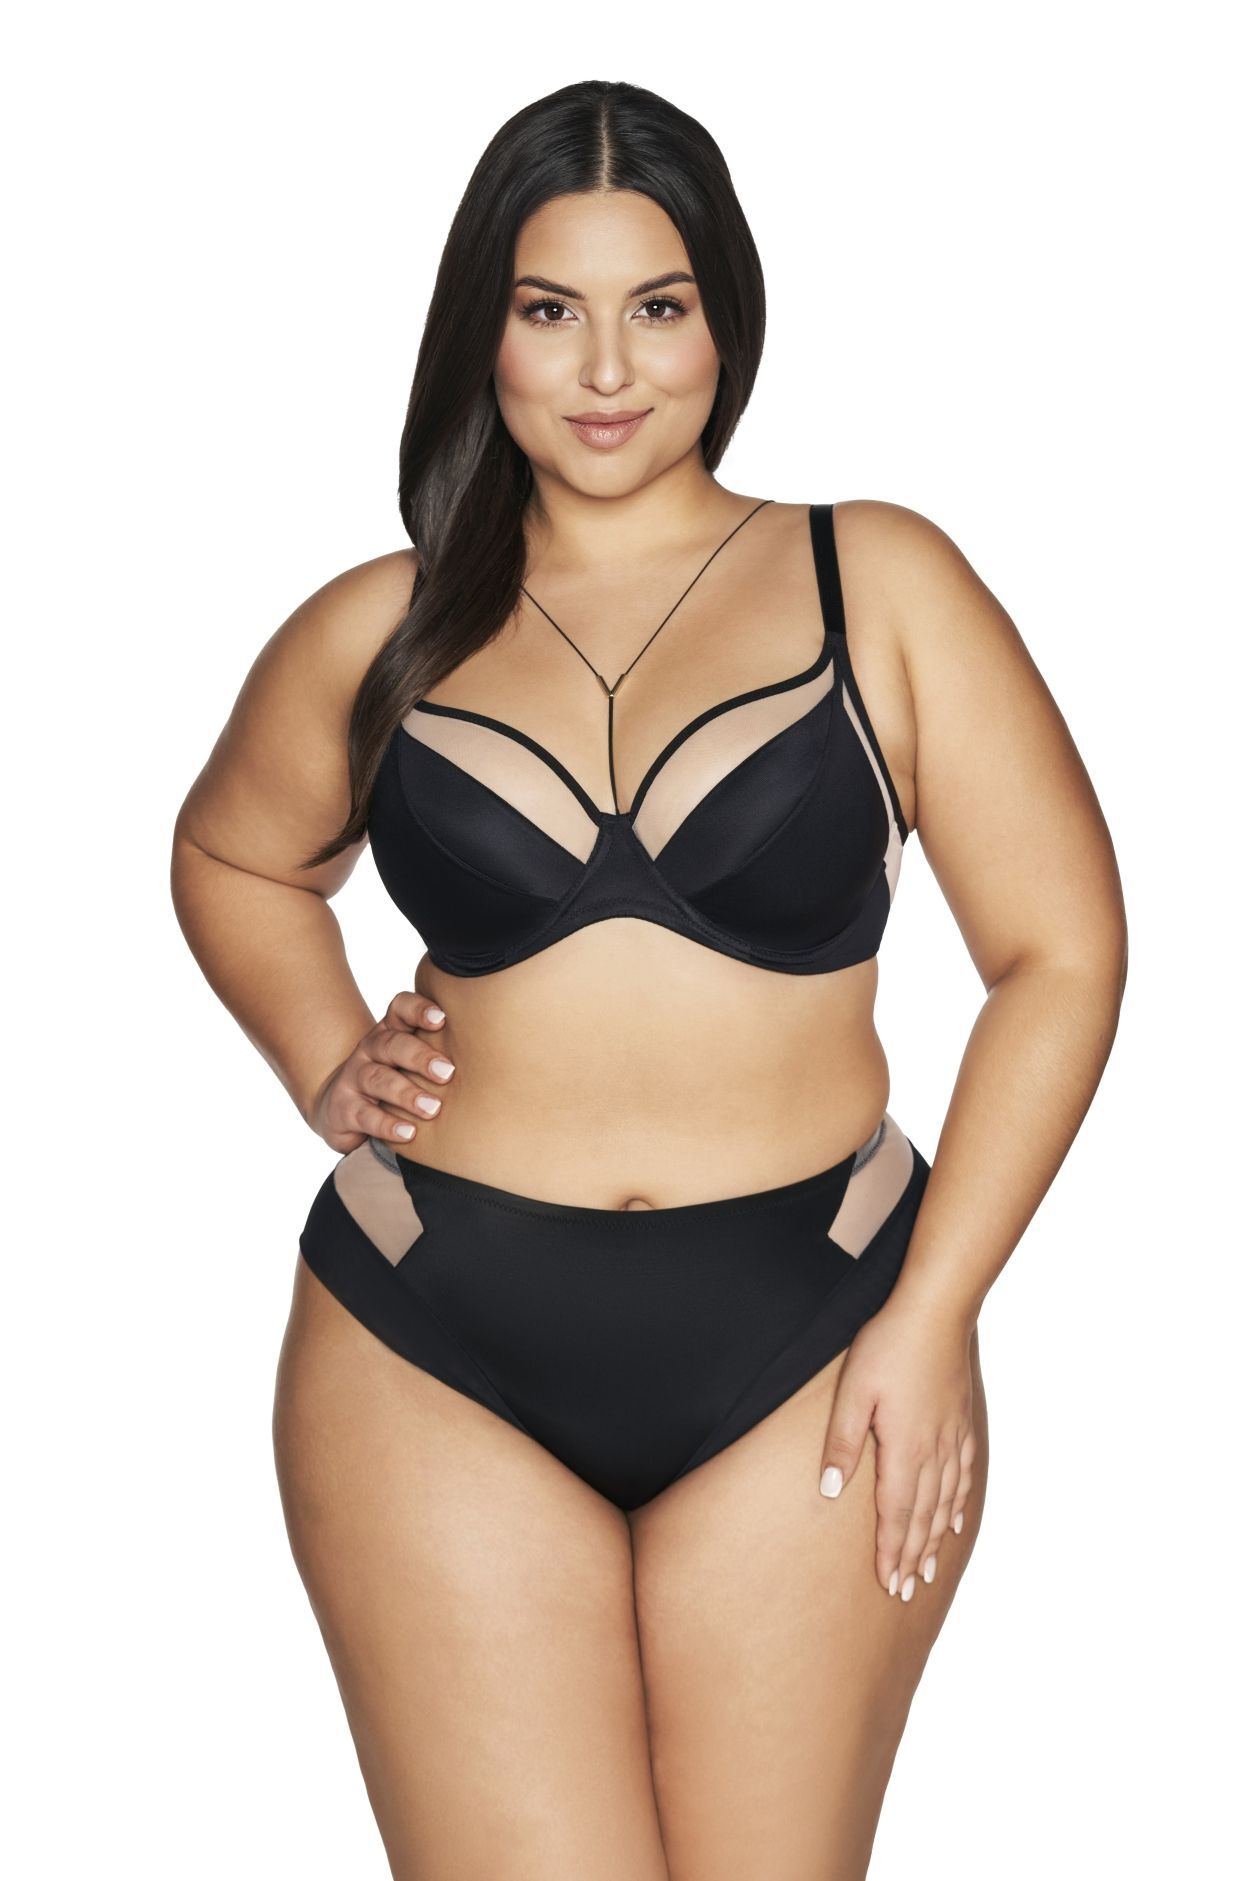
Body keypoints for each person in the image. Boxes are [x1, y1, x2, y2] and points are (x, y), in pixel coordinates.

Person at [170, 78, 1127, 1881]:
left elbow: (1059, 953)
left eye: (656, 306)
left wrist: (931, 1314)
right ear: (485, 332)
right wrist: (322, 1053)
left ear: (722, 318)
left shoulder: (874, 577)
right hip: (425, 1338)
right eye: (550, 309)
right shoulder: (382, 624)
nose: (606, 368)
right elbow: (233, 856)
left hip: (815, 1334)